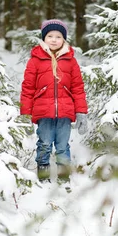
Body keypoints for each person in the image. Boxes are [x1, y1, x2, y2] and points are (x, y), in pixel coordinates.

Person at [20, 19, 88, 183]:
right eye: (50, 36)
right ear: (44, 38)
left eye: (58, 36)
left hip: (65, 112)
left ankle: (64, 177)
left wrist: (81, 112)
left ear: (64, 39)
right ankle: (43, 175)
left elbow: (78, 88)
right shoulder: (35, 60)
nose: (54, 39)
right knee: (44, 144)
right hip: (43, 112)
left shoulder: (71, 61)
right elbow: (27, 89)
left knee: (63, 146)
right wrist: (25, 115)